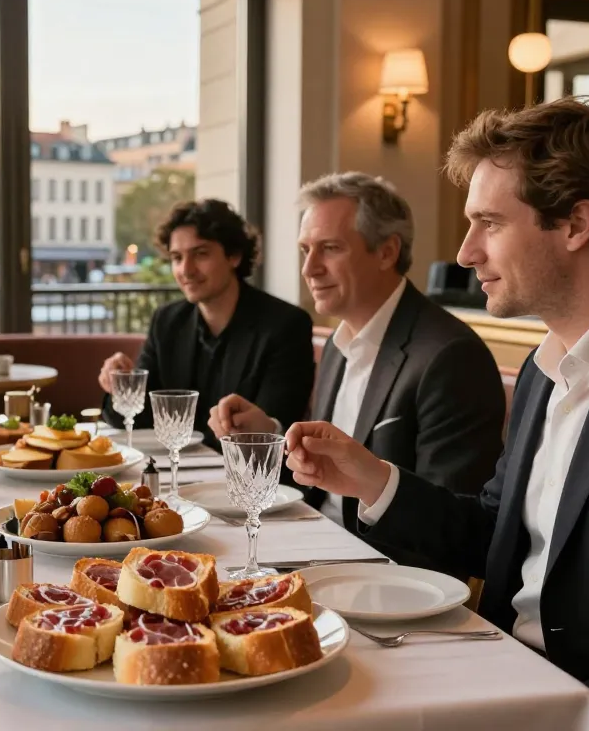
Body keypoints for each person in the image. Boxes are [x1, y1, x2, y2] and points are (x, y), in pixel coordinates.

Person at [284, 97, 589, 730]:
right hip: (496, 670)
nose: (465, 252)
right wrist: (372, 479)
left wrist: (574, 712)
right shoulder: (543, 368)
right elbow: (492, 534)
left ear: (577, 224)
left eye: (489, 223)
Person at [212, 172, 506, 571]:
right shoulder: (338, 343)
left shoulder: (450, 356)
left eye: (329, 248)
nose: (309, 269)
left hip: (384, 576)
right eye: (305, 250)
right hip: (315, 548)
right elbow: (328, 479)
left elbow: (452, 533)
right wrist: (273, 435)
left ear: (386, 252)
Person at [98, 199, 315, 450]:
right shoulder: (167, 321)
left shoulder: (285, 325)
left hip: (246, 477)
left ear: (234, 256)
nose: (186, 270)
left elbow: (279, 427)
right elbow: (138, 420)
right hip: (177, 473)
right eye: (177, 258)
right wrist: (120, 387)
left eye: (200, 254)